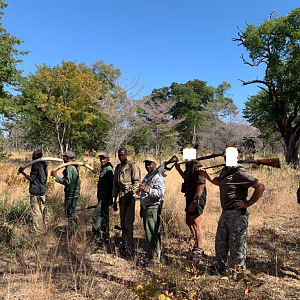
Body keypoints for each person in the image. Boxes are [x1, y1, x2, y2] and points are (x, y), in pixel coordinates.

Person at [197, 147, 265, 273]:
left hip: (237, 214)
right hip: (226, 212)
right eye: (227, 157)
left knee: (237, 244)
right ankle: (220, 267)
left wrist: (248, 203)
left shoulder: (240, 172)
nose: (229, 159)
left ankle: (237, 272)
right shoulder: (225, 170)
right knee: (221, 241)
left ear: (238, 158)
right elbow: (219, 181)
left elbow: (260, 186)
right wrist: (205, 174)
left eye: (232, 157)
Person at [175, 151, 207, 262]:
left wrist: (195, 200)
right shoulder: (188, 166)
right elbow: (186, 178)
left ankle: (199, 249)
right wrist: (178, 169)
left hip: (196, 196)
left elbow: (201, 184)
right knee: (189, 221)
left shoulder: (197, 165)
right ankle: (196, 244)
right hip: (189, 195)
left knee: (196, 223)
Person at [112, 148, 141, 256]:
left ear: (126, 155)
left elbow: (137, 182)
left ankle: (130, 247)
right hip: (121, 196)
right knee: (122, 222)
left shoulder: (132, 166)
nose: (121, 157)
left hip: (130, 196)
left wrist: (131, 194)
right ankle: (124, 244)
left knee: (128, 223)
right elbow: (115, 184)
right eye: (119, 155)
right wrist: (114, 200)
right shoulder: (118, 167)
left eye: (122, 155)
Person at [139, 157, 165, 265]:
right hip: (146, 208)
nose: (147, 166)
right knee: (150, 233)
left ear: (155, 164)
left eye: (150, 164)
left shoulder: (158, 177)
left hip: (153, 208)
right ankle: (154, 255)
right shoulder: (148, 176)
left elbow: (160, 193)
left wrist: (146, 190)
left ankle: (155, 259)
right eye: (146, 164)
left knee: (152, 233)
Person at [50, 150, 81, 236]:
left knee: (71, 214)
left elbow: (67, 182)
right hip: (75, 193)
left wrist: (56, 177)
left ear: (67, 158)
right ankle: (74, 231)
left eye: (64, 157)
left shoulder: (70, 168)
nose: (63, 158)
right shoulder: (74, 166)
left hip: (71, 195)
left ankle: (71, 233)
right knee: (73, 213)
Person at [18, 150, 47, 233]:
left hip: (36, 191)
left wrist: (22, 172)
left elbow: (31, 179)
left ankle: (38, 231)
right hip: (42, 190)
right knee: (42, 210)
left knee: (36, 211)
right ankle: (44, 228)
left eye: (33, 155)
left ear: (37, 157)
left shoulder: (36, 165)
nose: (32, 157)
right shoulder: (44, 164)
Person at [92, 153, 114, 245]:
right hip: (101, 197)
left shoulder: (109, 170)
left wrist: (111, 198)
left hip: (105, 198)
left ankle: (96, 236)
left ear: (108, 159)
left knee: (96, 216)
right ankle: (105, 237)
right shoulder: (103, 169)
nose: (102, 160)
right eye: (101, 158)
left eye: (104, 158)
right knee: (104, 217)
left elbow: (113, 185)